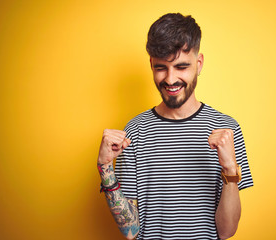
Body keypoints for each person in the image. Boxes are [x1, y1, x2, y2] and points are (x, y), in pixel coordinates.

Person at [97, 13, 253, 240]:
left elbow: (227, 231)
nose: (170, 79)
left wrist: (230, 169)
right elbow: (130, 231)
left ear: (198, 64)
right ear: (151, 64)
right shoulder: (134, 131)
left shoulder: (226, 129)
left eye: (181, 67)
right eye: (161, 68)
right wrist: (104, 167)